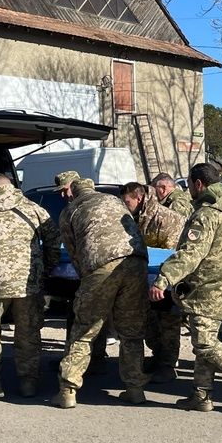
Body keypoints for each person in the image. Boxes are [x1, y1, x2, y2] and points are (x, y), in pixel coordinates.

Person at [149, 163, 222, 414]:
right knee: (206, 338)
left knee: (204, 342)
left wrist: (164, 279)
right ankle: (202, 394)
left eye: (189, 184)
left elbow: (191, 254)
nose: (188, 189)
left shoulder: (207, 214)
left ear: (199, 184)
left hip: (208, 289)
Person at [51, 173, 148, 408]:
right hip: (136, 263)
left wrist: (88, 284)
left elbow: (74, 254)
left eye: (65, 192)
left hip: (101, 267)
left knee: (85, 328)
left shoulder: (70, 211)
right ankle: (135, 388)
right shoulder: (114, 201)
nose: (64, 196)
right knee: (131, 331)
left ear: (72, 191)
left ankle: (68, 390)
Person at [0, 174, 59, 400]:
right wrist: (44, 270)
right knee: (28, 333)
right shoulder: (33, 209)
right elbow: (54, 240)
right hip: (29, 284)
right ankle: (28, 383)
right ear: (12, 187)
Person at [121, 181, 186, 382]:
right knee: (148, 321)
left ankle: (167, 365)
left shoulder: (167, 218)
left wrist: (162, 279)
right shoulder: (134, 218)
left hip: (167, 278)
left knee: (168, 321)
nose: (125, 205)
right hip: (144, 277)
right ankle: (157, 356)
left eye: (127, 201)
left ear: (138, 198)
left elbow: (171, 253)